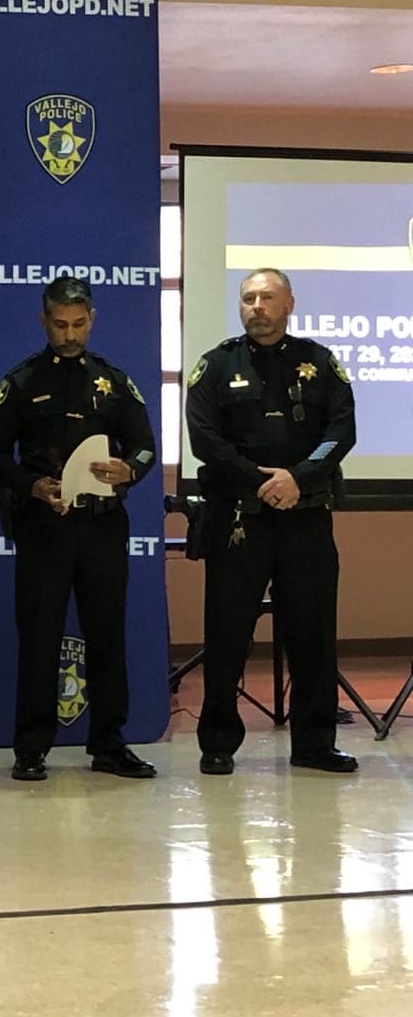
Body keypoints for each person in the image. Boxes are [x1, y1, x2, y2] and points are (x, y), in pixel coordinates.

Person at [0, 277, 158, 782]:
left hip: (102, 525)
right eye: (60, 324)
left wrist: (129, 470)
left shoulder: (113, 381)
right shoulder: (21, 382)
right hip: (45, 525)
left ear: (92, 319)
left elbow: (145, 446)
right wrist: (31, 485)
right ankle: (31, 747)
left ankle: (109, 743)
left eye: (79, 324)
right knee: (40, 637)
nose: (70, 334)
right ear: (44, 320)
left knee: (107, 634)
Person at [185, 267, 357, 775]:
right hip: (240, 519)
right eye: (248, 298)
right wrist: (260, 481)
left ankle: (315, 744)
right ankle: (218, 742)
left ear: (289, 304)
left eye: (266, 297)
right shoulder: (216, 365)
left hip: (305, 517)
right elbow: (204, 439)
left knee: (312, 632)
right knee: (227, 632)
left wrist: (298, 478)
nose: (256, 307)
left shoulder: (319, 363)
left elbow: (341, 430)